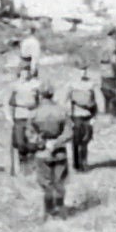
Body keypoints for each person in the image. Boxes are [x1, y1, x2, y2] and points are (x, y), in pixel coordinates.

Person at [28, 87, 74, 219]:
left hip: (42, 153)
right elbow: (69, 132)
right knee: (59, 182)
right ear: (52, 94)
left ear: (40, 95)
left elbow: (29, 133)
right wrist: (56, 143)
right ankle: (60, 210)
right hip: (59, 152)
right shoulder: (61, 111)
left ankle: (48, 211)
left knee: (46, 184)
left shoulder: (34, 113)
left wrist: (42, 143)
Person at [65, 59, 101, 169]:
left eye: (85, 70)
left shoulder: (91, 84)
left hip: (87, 116)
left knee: (85, 140)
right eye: (81, 70)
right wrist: (68, 118)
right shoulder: (71, 85)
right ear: (76, 71)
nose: (83, 72)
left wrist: (94, 117)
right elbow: (66, 101)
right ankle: (76, 164)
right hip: (76, 116)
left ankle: (84, 162)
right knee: (76, 141)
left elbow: (95, 101)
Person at [7, 69, 43, 172]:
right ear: (20, 72)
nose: (25, 73)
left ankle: (31, 166)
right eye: (23, 71)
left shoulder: (36, 84)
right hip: (19, 117)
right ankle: (22, 165)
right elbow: (8, 102)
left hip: (32, 118)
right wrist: (9, 117)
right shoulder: (14, 86)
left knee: (32, 143)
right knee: (20, 142)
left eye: (27, 71)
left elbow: (40, 101)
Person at [99, 39, 116, 116]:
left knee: (106, 94)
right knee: (111, 94)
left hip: (104, 72)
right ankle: (113, 114)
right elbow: (114, 61)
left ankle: (108, 112)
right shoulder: (113, 45)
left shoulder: (105, 43)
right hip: (110, 72)